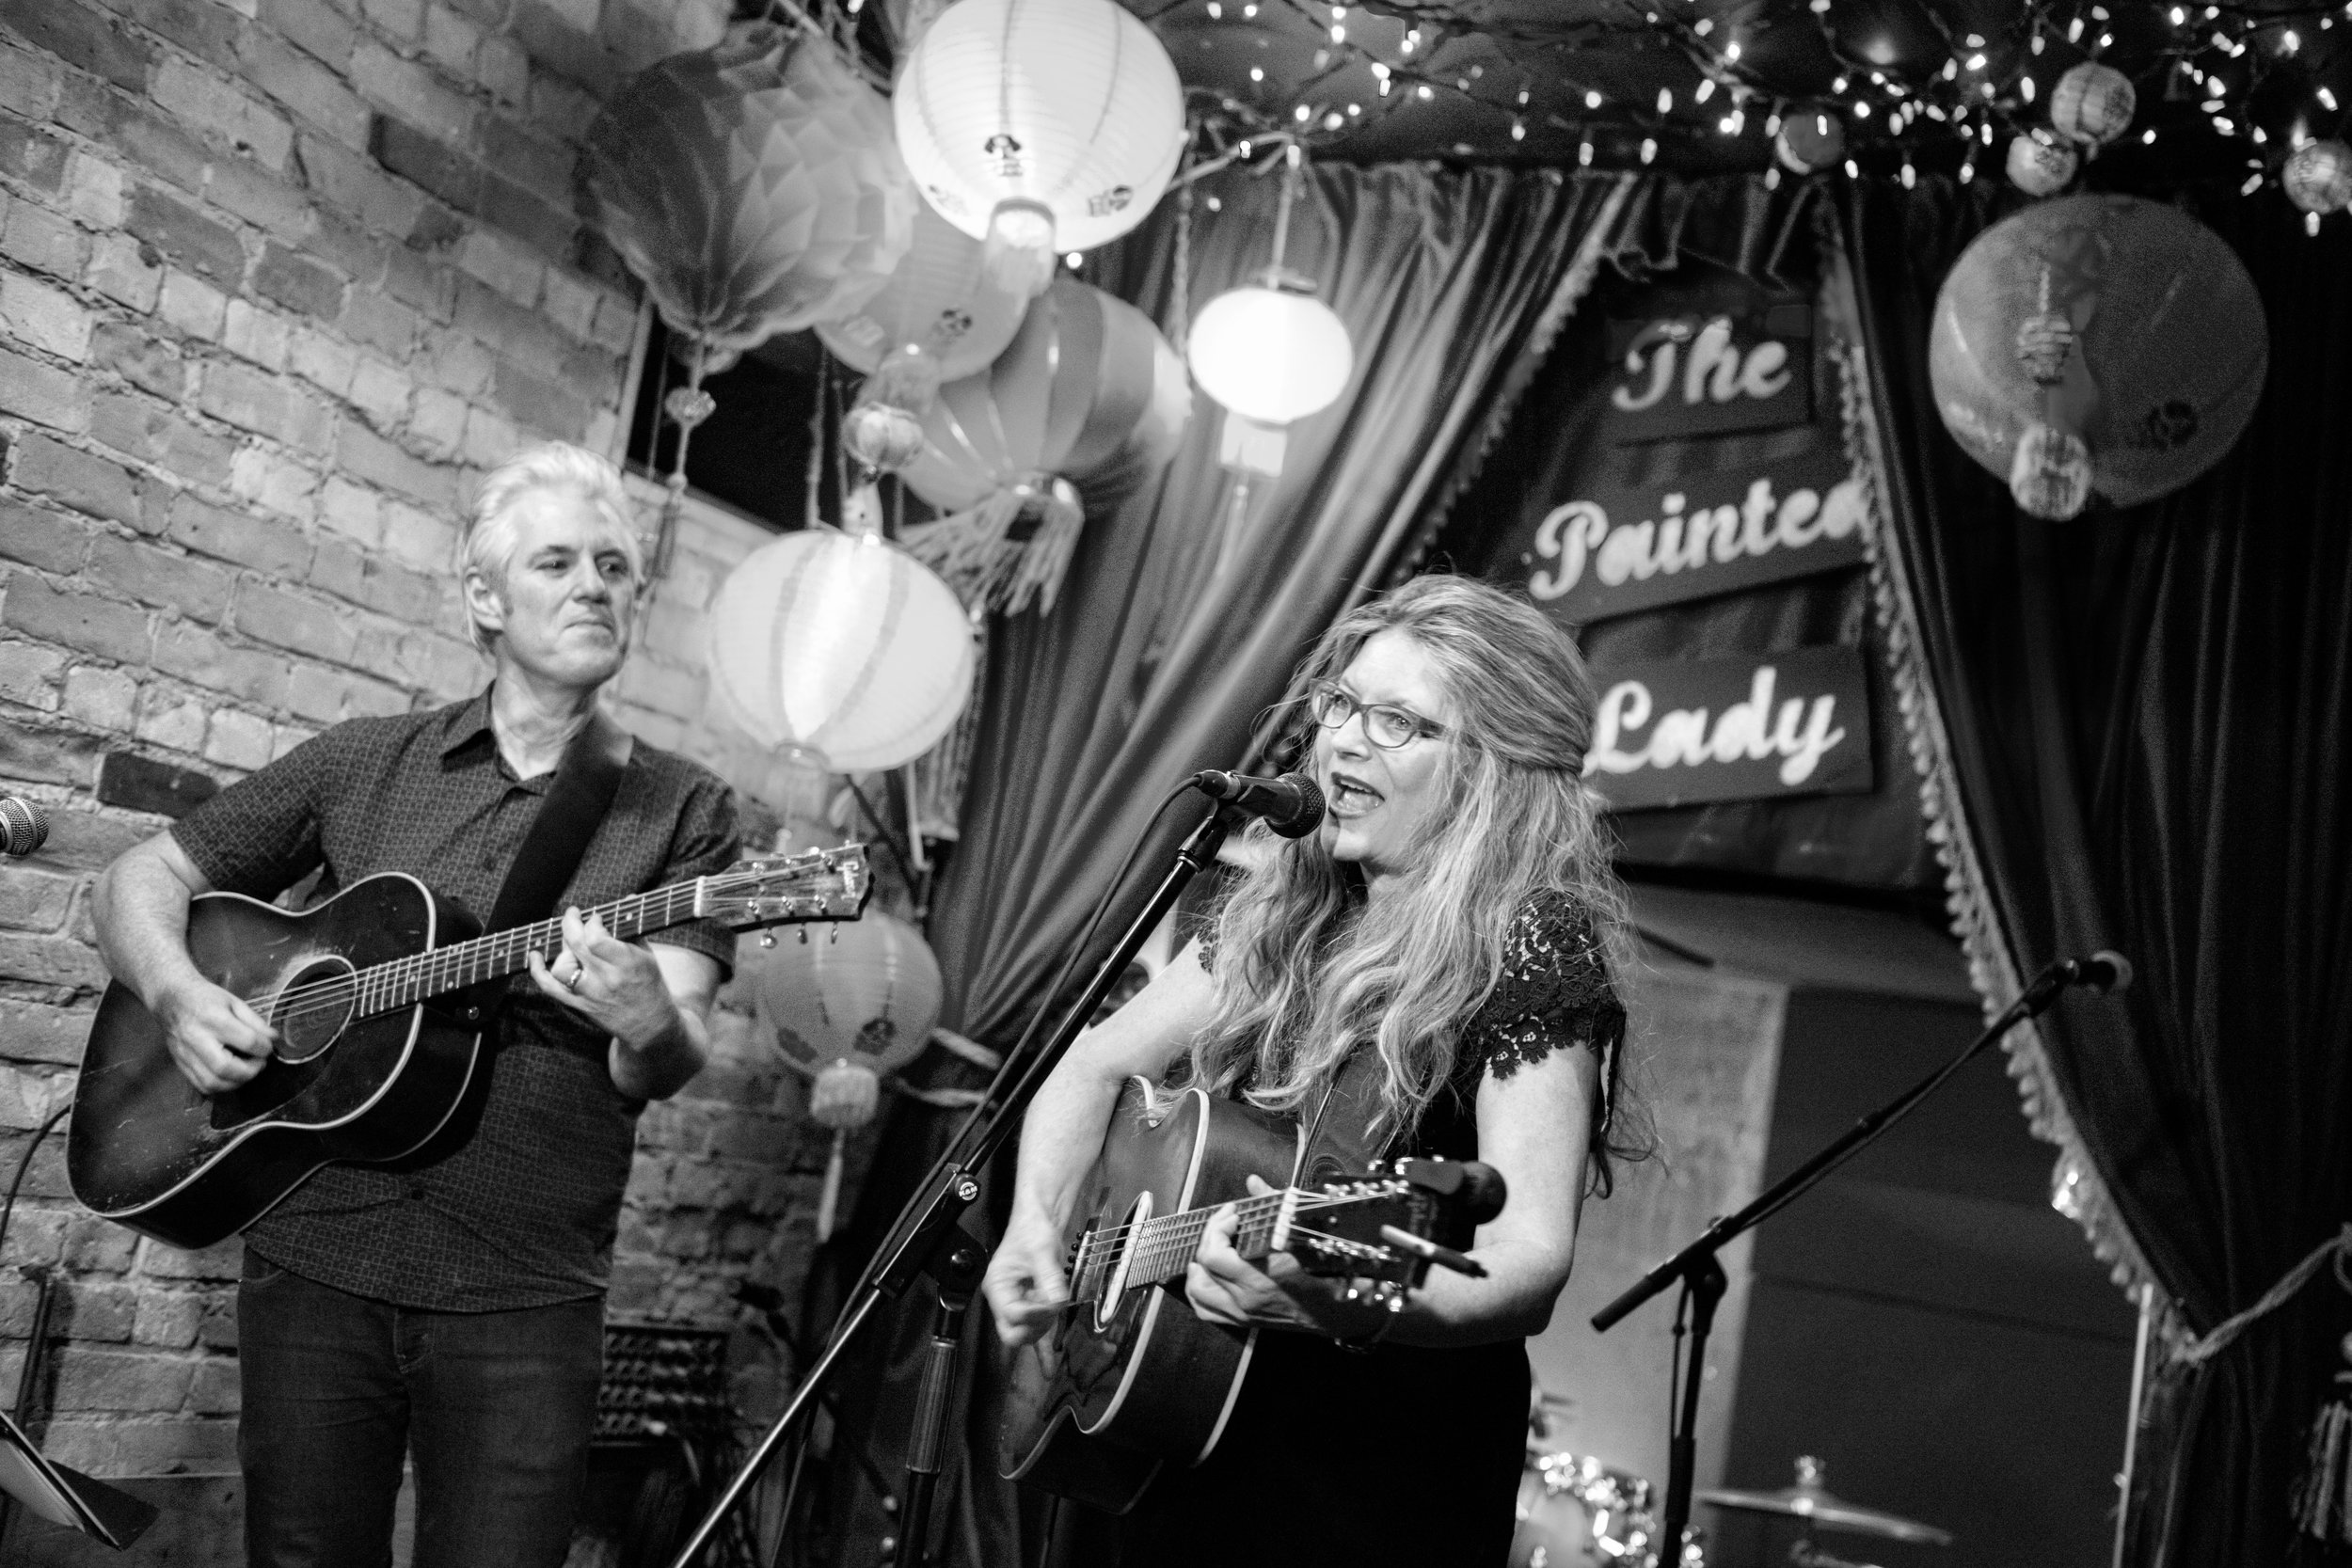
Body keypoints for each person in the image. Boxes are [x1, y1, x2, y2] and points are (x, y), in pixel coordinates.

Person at [89, 442, 741, 1568]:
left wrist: (645, 1018)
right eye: (557, 561)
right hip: (316, 1259)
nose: (595, 583)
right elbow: (136, 880)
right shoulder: (363, 763)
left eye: (615, 566)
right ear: (485, 598)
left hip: (526, 1290)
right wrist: (182, 993)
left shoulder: (682, 809)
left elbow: (662, 1058)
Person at [982, 575, 1642, 1566]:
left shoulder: (1530, 945)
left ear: (1493, 767)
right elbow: (1088, 1065)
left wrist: (1340, 1302)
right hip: (1172, 1424)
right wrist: (1037, 1224)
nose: (1340, 741)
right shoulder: (1293, 904)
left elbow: (1528, 1255)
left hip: (1363, 1473)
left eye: (1395, 721)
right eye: (1340, 704)